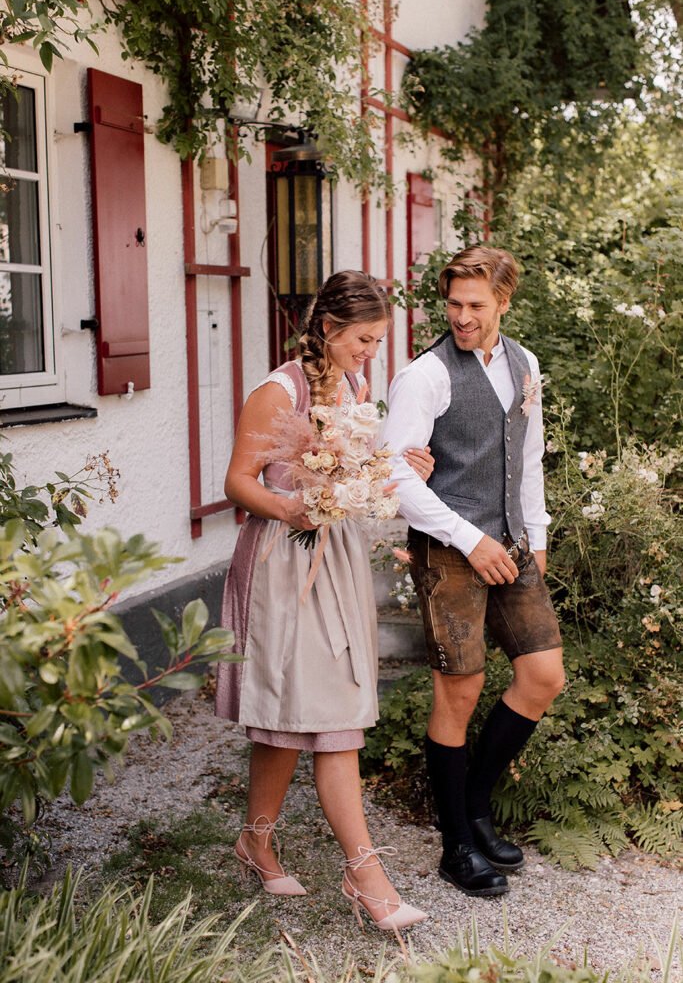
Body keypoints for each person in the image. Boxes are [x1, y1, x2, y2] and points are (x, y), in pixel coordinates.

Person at [215, 270, 431, 932]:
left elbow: (357, 473)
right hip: (282, 562)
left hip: (333, 561)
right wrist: (293, 507)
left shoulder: (357, 387)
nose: (371, 352)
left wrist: (398, 468)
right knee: (319, 715)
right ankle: (367, 878)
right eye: (363, 339)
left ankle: (255, 839)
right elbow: (236, 481)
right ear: (329, 328)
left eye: (377, 341)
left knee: (308, 711)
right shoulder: (277, 391)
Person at [382, 246, 565, 897]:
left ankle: (473, 807)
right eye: (453, 303)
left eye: (475, 305)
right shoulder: (423, 376)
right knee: (458, 691)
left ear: (503, 303)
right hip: (447, 546)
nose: (461, 316)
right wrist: (468, 539)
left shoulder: (525, 365)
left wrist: (534, 536)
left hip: (512, 543)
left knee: (542, 676)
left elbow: (529, 455)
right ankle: (457, 842)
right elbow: (395, 475)